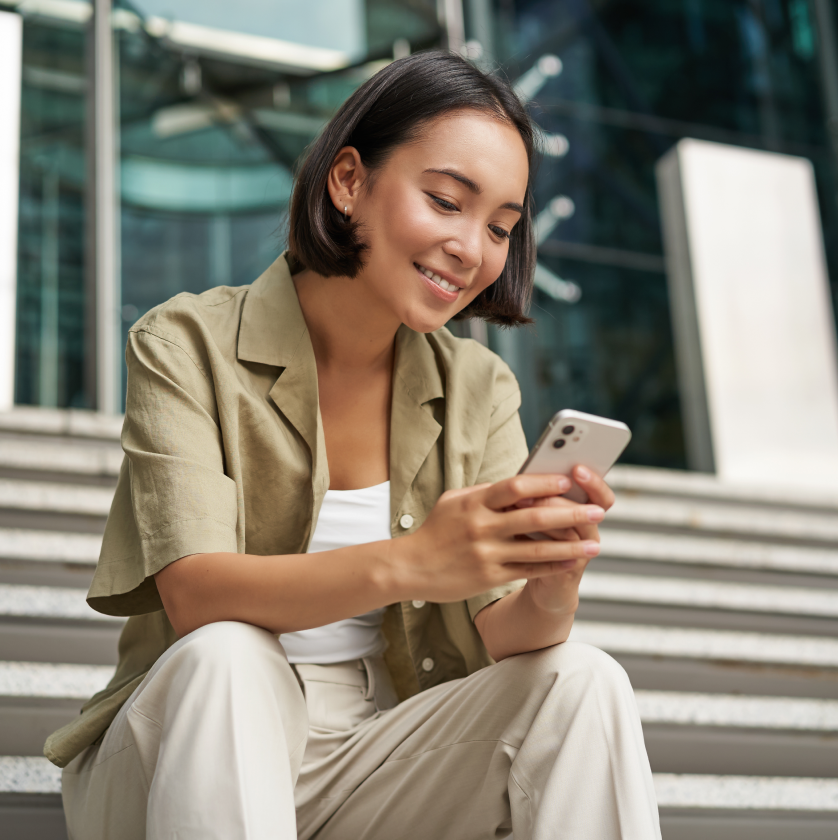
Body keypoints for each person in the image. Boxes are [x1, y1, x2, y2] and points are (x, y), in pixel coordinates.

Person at [47, 51, 661, 840]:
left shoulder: (480, 387)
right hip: (186, 741)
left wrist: (551, 584)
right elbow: (193, 595)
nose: (472, 248)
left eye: (501, 226)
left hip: (378, 748)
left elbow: (506, 635)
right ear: (348, 182)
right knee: (231, 655)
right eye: (446, 201)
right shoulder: (186, 341)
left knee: (585, 680)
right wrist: (412, 562)